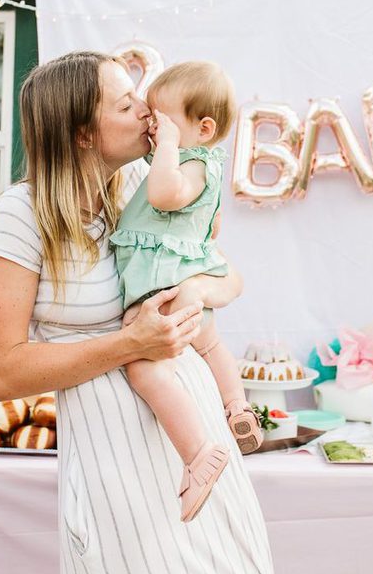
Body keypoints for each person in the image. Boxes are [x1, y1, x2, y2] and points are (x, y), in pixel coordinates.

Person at [0, 49, 275, 574]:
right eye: (126, 103)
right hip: (114, 458)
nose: (146, 109)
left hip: (196, 434)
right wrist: (131, 344)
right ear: (85, 134)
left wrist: (195, 289)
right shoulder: (20, 215)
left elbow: (227, 277)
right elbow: (1, 373)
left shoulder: (148, 185)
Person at [110, 61, 263, 523]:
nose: (152, 125)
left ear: (204, 127)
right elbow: (211, 227)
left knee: (142, 369)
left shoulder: (190, 162)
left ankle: (198, 453)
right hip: (185, 282)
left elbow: (163, 197)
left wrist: (170, 148)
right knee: (212, 345)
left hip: (161, 288)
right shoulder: (208, 166)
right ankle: (237, 406)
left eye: (162, 117)